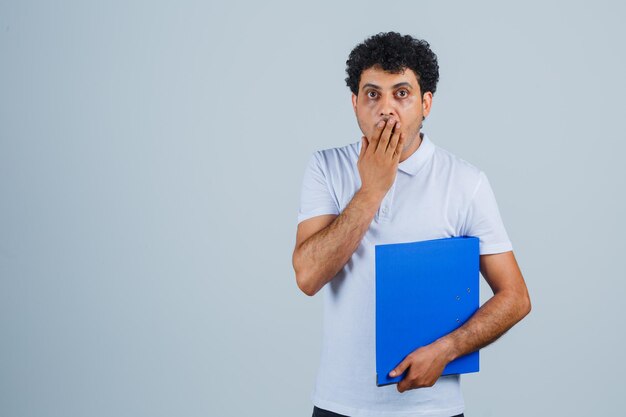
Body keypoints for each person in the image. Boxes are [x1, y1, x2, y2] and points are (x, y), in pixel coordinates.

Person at [292, 32, 531, 417]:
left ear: (426, 103)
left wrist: (448, 349)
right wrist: (372, 190)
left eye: (401, 93)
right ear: (355, 103)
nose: (386, 108)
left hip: (432, 408)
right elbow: (308, 277)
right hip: (338, 405)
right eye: (372, 94)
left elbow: (516, 297)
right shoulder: (326, 167)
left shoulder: (466, 182)